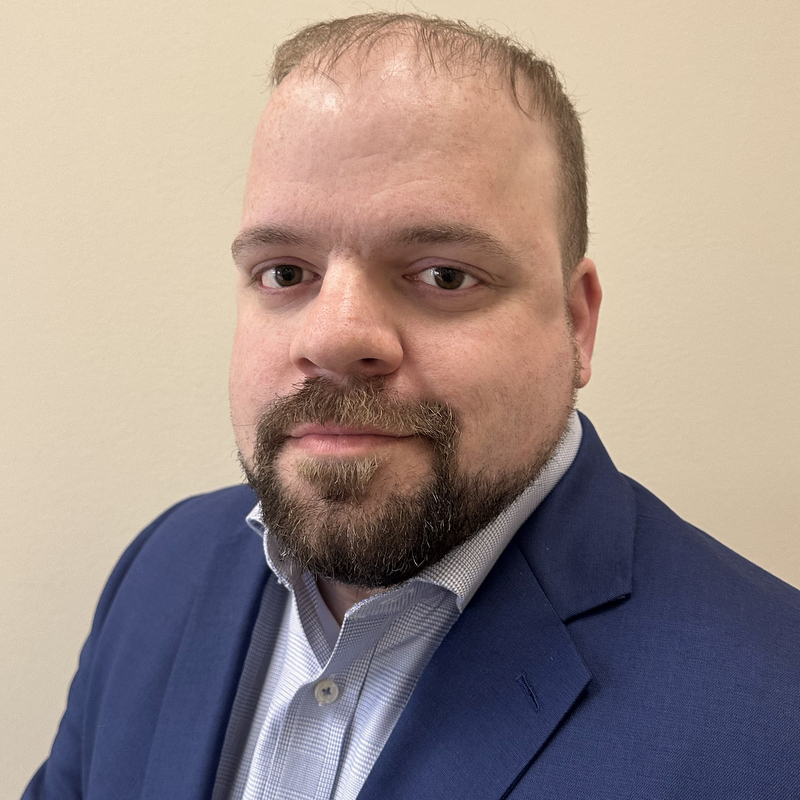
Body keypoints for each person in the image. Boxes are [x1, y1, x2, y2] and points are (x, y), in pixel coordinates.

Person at [23, 12, 800, 800]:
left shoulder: (777, 715)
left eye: (444, 276)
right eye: (286, 273)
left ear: (576, 321)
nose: (334, 338)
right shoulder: (162, 569)